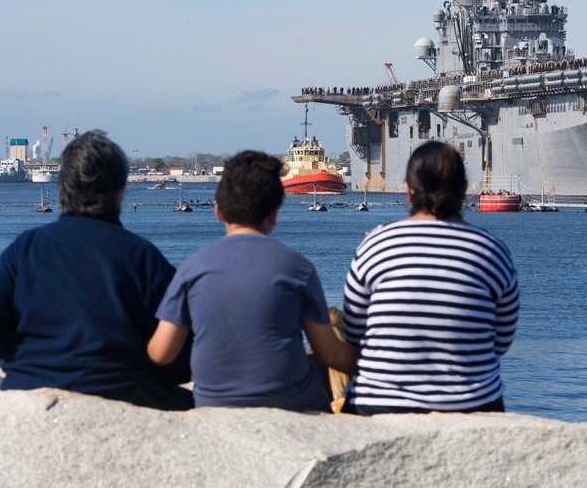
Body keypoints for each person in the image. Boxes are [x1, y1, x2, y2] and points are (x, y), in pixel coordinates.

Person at [147, 150, 356, 412]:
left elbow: (161, 353)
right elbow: (331, 353)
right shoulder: (298, 268)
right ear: (274, 214)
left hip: (214, 404)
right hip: (292, 403)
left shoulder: (191, 269)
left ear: (218, 212)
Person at [0, 130, 192, 410]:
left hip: (30, 390)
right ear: (120, 191)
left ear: (62, 187)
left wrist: (21, 360)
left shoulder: (25, 249)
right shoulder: (142, 257)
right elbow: (181, 356)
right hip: (121, 394)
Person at [342, 141, 519, 415]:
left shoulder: (374, 244)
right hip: (472, 405)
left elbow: (354, 334)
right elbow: (501, 343)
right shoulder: (493, 250)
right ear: (463, 190)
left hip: (380, 404)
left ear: (408, 192)